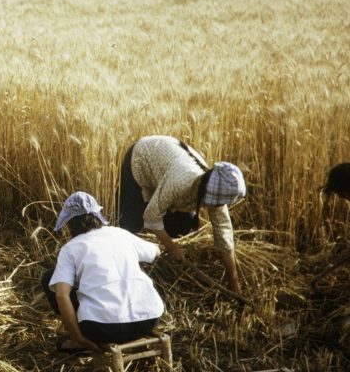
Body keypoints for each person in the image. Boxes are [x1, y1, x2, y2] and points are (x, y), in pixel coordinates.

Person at [117, 135, 246, 295]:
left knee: (183, 226)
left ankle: (159, 249)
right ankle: (131, 273)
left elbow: (224, 239)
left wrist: (234, 284)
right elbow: (151, 217)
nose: (214, 206)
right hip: (142, 158)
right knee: (131, 226)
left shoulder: (216, 188)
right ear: (206, 189)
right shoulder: (181, 182)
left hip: (166, 167)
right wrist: (172, 247)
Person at [45, 192, 164, 353]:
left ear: (69, 222)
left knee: (49, 278)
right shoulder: (120, 234)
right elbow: (156, 251)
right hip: (149, 320)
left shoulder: (70, 248)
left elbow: (61, 295)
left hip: (103, 328)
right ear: (97, 214)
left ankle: (76, 341)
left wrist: (79, 338)